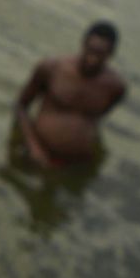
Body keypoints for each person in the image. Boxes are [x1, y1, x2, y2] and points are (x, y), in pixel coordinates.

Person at [11, 21, 126, 169]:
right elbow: (20, 107)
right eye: (90, 51)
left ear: (111, 54)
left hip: (77, 164)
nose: (92, 59)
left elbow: (97, 119)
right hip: (37, 154)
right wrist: (34, 146)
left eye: (100, 55)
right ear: (82, 44)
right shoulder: (51, 68)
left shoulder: (116, 87)